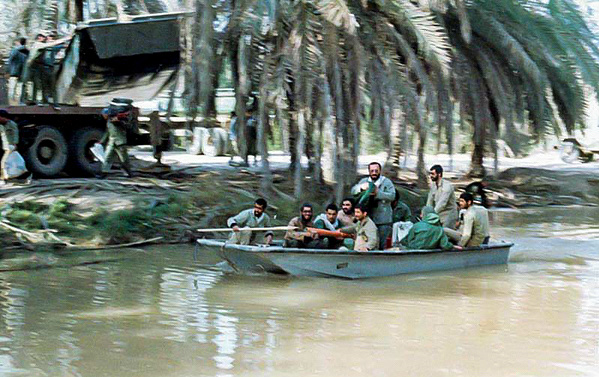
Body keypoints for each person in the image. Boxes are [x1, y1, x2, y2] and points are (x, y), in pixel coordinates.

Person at [351, 162, 396, 249]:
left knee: (382, 245)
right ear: (369, 171)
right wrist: (361, 188)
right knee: (366, 243)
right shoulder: (364, 181)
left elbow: (392, 196)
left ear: (380, 171)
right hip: (367, 219)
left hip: (383, 220)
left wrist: (378, 193)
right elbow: (353, 191)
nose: (374, 173)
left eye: (376, 170)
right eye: (372, 171)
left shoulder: (386, 182)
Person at [96, 105, 133, 178]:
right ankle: (104, 173)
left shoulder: (118, 120)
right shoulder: (109, 121)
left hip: (120, 143)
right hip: (112, 142)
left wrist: (119, 121)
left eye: (104, 114)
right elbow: (107, 132)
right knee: (107, 158)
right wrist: (101, 141)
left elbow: (127, 126)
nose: (103, 116)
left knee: (123, 159)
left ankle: (129, 173)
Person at [426, 164, 458, 229]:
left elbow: (442, 203)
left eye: (433, 174)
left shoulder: (447, 186)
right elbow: (430, 201)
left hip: (449, 214)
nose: (431, 176)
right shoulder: (433, 185)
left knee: (445, 233)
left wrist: (431, 215)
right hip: (439, 213)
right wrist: (426, 212)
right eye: (430, 174)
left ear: (439, 174)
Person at [6, 38, 29, 105]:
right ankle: (20, 102)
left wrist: (8, 71)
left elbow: (10, 60)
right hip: (22, 71)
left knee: (12, 87)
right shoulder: (27, 51)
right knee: (19, 87)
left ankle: (10, 102)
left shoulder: (14, 50)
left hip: (14, 71)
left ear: (18, 42)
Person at [0, 110, 19, 182]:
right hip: (4, 145)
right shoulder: (1, 125)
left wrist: (15, 144)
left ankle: (5, 176)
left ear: (3, 117)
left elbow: (15, 134)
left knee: (5, 161)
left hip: (10, 146)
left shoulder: (12, 124)